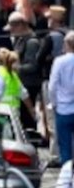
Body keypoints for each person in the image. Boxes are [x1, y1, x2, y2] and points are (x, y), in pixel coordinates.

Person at [50, 32, 74, 166]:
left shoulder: (59, 61)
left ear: (67, 44)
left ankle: (67, 179)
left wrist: (54, 103)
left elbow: (52, 86)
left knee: (65, 147)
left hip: (63, 109)